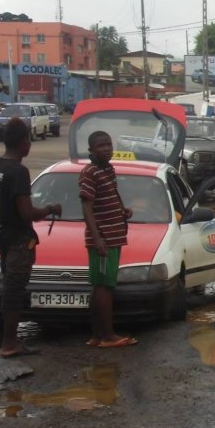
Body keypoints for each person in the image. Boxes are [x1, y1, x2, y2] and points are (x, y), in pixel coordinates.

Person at [0, 117, 62, 358]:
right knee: (14, 291)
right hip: (19, 241)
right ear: (24, 143)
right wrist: (50, 208)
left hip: (2, 239)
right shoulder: (19, 171)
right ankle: (10, 343)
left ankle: (8, 340)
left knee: (9, 288)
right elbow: (27, 212)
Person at [79, 130, 135, 349]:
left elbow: (108, 198)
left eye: (109, 145)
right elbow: (87, 206)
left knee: (100, 286)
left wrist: (122, 211)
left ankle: (97, 335)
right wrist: (97, 238)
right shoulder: (90, 172)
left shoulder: (108, 170)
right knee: (104, 287)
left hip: (114, 235)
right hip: (103, 239)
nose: (107, 149)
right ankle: (107, 336)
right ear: (91, 150)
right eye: (101, 146)